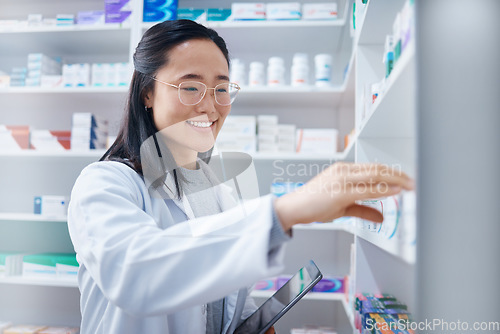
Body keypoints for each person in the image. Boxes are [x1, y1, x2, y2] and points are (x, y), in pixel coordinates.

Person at [67, 19, 414, 334]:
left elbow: (221, 295)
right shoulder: (104, 184)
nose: (210, 106)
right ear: (147, 93)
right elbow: (136, 275)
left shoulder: (214, 190)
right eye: (190, 87)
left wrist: (252, 324)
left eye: (221, 89)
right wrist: (283, 212)